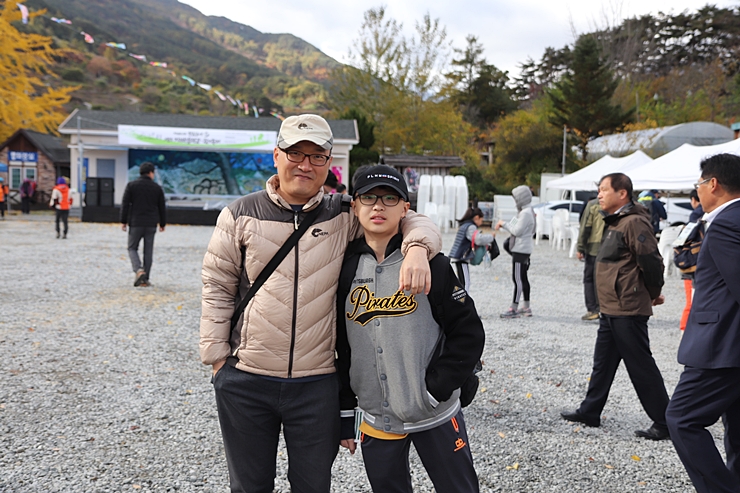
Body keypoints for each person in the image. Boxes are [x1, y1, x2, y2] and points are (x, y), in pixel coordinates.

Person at [199, 115, 442, 493]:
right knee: (249, 485)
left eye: (317, 156)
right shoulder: (240, 214)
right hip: (246, 377)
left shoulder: (342, 213)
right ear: (276, 156)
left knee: (313, 485)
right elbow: (217, 286)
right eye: (296, 154)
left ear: (329, 163)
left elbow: (408, 217)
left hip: (315, 385)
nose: (305, 165)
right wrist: (217, 360)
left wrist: (415, 249)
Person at [336, 165, 484, 493]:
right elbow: (342, 347)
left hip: (434, 411)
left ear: (405, 208)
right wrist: (347, 410)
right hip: (376, 417)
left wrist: (437, 388)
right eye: (369, 198)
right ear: (354, 206)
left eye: (390, 198)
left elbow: (469, 331)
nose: (378, 206)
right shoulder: (345, 268)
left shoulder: (432, 263)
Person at [561, 172, 670, 440]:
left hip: (628, 308)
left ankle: (666, 422)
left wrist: (654, 293)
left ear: (622, 194)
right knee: (603, 363)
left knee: (640, 366)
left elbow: (652, 262)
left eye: (603, 190)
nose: (599, 194)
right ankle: (590, 411)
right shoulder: (615, 221)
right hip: (611, 307)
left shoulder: (633, 223)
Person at [665, 153, 740, 493]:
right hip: (730, 343)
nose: (698, 192)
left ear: (713, 184)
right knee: (737, 429)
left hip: (722, 343)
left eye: (698, 185)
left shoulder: (726, 221)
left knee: (681, 418)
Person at [120, 162, 166, 287]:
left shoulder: (131, 186)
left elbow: (125, 204)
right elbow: (162, 207)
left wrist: (123, 221)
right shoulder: (157, 188)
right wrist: (162, 223)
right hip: (151, 224)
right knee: (148, 251)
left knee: (132, 247)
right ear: (151, 173)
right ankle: (145, 279)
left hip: (136, 223)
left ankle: (139, 270)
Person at [495, 185, 536, 318]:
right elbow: (517, 225)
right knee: (523, 278)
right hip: (524, 249)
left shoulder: (525, 213)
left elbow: (516, 230)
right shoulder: (527, 211)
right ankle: (526, 306)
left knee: (517, 278)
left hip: (520, 249)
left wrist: (503, 224)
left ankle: (514, 308)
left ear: (521, 199)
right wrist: (506, 223)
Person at [449, 207, 494, 292]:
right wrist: (491, 237)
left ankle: (461, 302)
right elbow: (478, 239)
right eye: (481, 220)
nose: (481, 222)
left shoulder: (465, 225)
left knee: (462, 282)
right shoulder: (471, 226)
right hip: (462, 257)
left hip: (459, 255)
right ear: (477, 217)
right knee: (466, 283)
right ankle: (464, 303)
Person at [679, 189, 704, 331]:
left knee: (690, 302)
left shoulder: (696, 214)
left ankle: (685, 329)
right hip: (699, 263)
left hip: (692, 264)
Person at [576, 197, 605, 321]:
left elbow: (585, 227)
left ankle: (593, 309)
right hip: (613, 247)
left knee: (590, 279)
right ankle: (606, 309)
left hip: (594, 247)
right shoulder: (622, 204)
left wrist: (580, 247)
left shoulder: (593, 205)